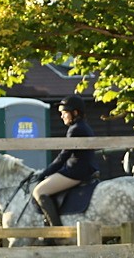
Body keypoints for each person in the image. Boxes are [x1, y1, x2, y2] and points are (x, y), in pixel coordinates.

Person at [32, 95, 100, 228]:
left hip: (76, 172)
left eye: (64, 113)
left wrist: (44, 173)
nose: (62, 116)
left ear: (75, 113)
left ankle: (56, 230)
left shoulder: (75, 129)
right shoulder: (83, 127)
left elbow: (63, 157)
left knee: (39, 191)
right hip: (83, 168)